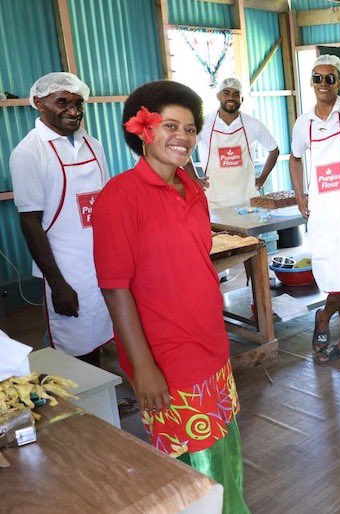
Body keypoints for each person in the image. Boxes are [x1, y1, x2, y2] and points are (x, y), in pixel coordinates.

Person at [91, 80, 248, 513]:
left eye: (191, 128)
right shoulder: (119, 198)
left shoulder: (191, 186)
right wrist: (143, 368)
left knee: (225, 449)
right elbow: (115, 287)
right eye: (170, 126)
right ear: (143, 129)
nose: (183, 136)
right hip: (166, 352)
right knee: (194, 468)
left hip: (210, 341)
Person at [9, 72, 113, 363]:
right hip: (66, 267)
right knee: (76, 341)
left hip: (102, 257)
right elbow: (30, 223)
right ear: (40, 103)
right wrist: (58, 284)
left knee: (108, 327)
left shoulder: (93, 144)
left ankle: (108, 397)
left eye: (78, 103)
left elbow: (104, 204)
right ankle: (83, 402)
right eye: (63, 102)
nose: (74, 110)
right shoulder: (28, 153)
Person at [289, 54, 340, 364]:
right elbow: (295, 157)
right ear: (311, 82)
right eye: (318, 77)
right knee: (336, 276)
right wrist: (300, 195)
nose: (324, 83)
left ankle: (323, 317)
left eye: (330, 78)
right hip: (323, 213)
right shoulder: (303, 122)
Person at [186, 77, 280, 209]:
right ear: (218, 96)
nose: (231, 97)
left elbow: (274, 149)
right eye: (226, 93)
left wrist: (262, 178)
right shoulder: (204, 123)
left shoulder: (252, 124)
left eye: (236, 94)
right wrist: (194, 178)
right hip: (214, 200)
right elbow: (185, 150)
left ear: (241, 99)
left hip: (247, 199)